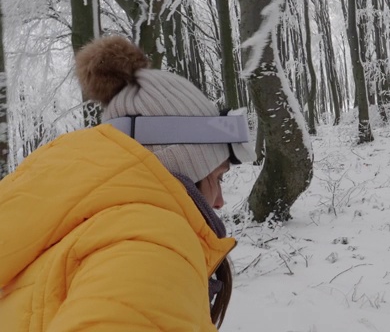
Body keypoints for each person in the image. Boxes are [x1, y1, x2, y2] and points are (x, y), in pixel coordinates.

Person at [0, 35, 255, 331]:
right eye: (218, 177)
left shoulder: (68, 227)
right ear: (183, 162)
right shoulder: (151, 244)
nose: (221, 200)